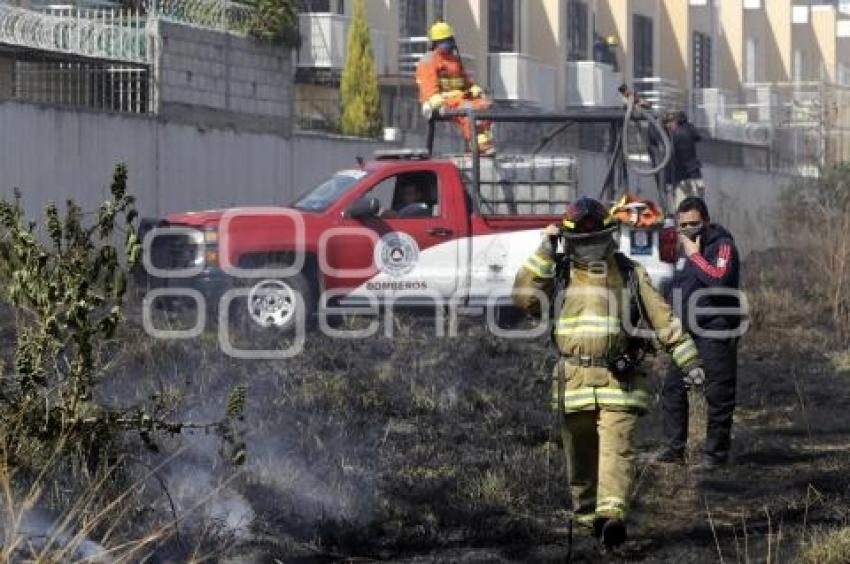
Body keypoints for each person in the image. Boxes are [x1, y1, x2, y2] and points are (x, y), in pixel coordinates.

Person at [512, 197, 704, 550]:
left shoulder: (630, 272)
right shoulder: (558, 272)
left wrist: (689, 362)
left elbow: (663, 318)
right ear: (568, 241)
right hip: (574, 383)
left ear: (610, 236)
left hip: (620, 382)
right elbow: (524, 299)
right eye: (582, 243)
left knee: (617, 450)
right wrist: (544, 248)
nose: (590, 249)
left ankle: (611, 518)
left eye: (596, 240)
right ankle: (587, 521)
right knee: (580, 460)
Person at [657, 197, 741, 469]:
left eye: (694, 224)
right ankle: (673, 451)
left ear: (705, 221)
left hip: (717, 329)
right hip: (687, 331)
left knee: (718, 393)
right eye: (683, 226)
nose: (689, 230)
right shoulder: (683, 249)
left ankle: (715, 456)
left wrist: (694, 254)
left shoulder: (723, 245)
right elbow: (680, 286)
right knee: (672, 389)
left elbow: (718, 278)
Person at [416, 21, 494, 155]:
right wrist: (435, 101)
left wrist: (473, 89)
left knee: (485, 106)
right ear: (435, 42)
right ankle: (477, 145)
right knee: (469, 109)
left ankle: (479, 145)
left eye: (449, 40)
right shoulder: (429, 61)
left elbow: (464, 82)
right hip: (441, 102)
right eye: (445, 40)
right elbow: (429, 88)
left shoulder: (454, 60)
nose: (449, 44)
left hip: (458, 99)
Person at [663, 111, 705, 208]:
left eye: (669, 123)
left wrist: (668, 181)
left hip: (684, 180)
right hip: (692, 177)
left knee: (683, 210)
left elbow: (677, 161)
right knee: (696, 209)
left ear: (675, 122)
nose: (668, 126)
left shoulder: (678, 136)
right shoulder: (688, 131)